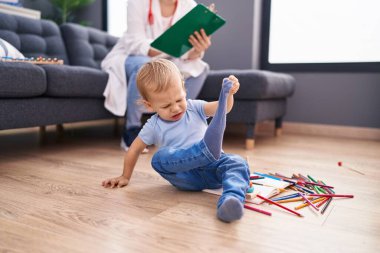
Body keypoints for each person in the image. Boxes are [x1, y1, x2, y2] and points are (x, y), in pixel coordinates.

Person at [102, 59, 250, 223]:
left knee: (237, 162)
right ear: (149, 105)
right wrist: (125, 176)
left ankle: (231, 201)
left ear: (184, 90)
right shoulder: (153, 125)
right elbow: (134, 149)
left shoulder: (195, 107)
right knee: (159, 158)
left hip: (214, 168)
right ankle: (204, 152)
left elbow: (224, 109)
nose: (175, 108)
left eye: (179, 100)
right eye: (165, 106)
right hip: (187, 177)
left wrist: (228, 95)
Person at [101, 0, 213, 152]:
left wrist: (197, 49)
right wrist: (171, 44)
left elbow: (187, 52)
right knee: (145, 67)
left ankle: (177, 126)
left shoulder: (189, 6)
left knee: (200, 68)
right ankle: (132, 128)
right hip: (132, 55)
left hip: (170, 58)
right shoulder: (137, 3)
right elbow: (135, 42)